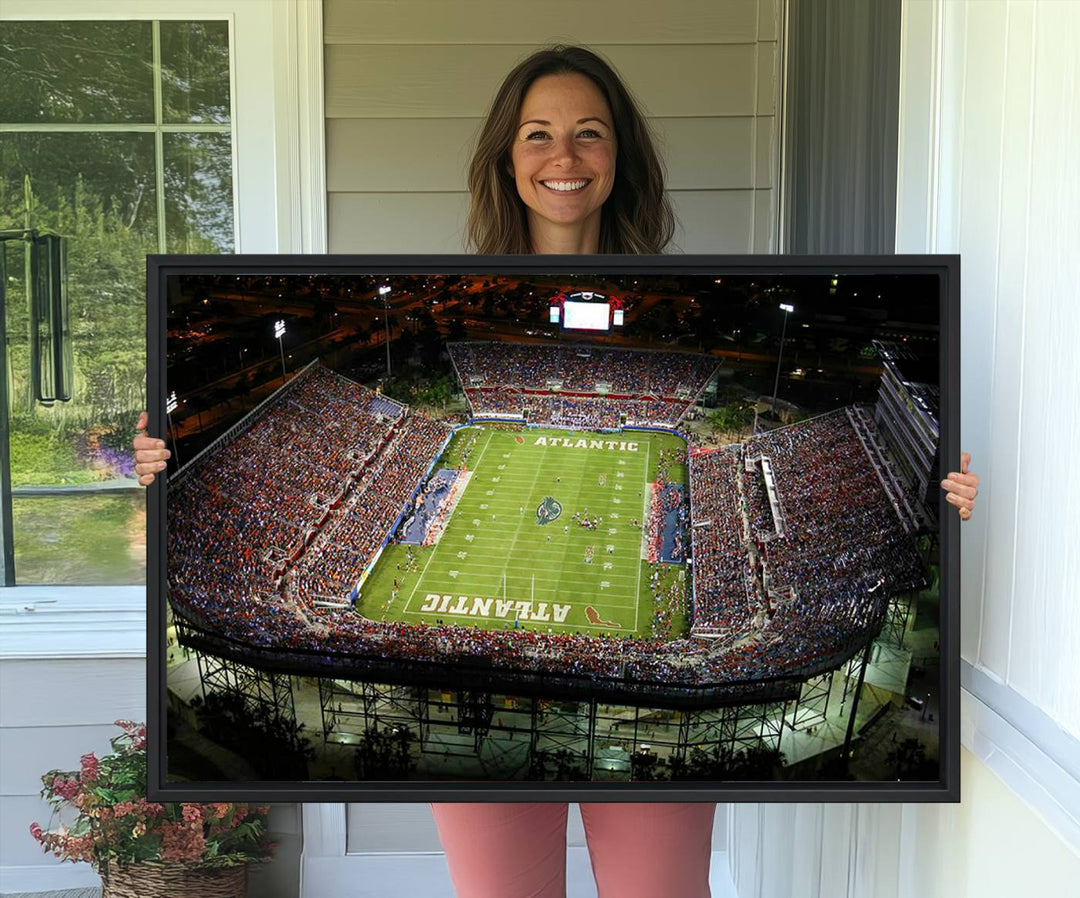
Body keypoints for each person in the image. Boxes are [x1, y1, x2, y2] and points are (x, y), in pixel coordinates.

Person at [134, 44, 981, 898]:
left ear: (621, 158)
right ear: (507, 157)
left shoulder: (677, 295)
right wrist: (158, 472)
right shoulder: (453, 283)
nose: (563, 157)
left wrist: (937, 499)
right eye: (538, 134)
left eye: (589, 134)